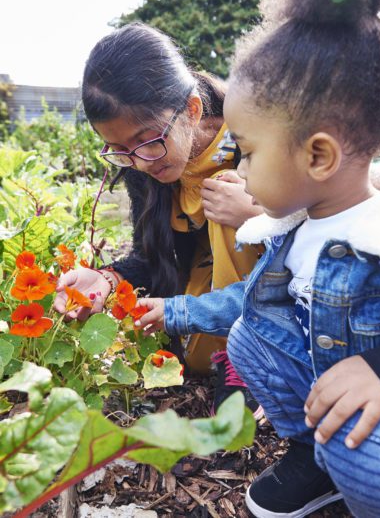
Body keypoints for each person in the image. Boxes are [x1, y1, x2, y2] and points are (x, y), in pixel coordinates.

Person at [133, 0, 380, 517]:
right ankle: (318, 460)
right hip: (352, 406)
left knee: (359, 444)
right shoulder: (297, 230)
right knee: (253, 336)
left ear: (318, 155)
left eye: (248, 150)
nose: (238, 165)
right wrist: (173, 311)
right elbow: (246, 303)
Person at [53, 22, 264, 416]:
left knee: (225, 188)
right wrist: (107, 277)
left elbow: (327, 218)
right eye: (118, 150)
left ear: (192, 109)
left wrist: (259, 214)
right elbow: (152, 257)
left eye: (146, 140)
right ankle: (226, 350)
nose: (137, 162)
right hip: (213, 284)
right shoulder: (142, 162)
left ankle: (247, 355)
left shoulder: (256, 132)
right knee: (197, 358)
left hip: (277, 288)